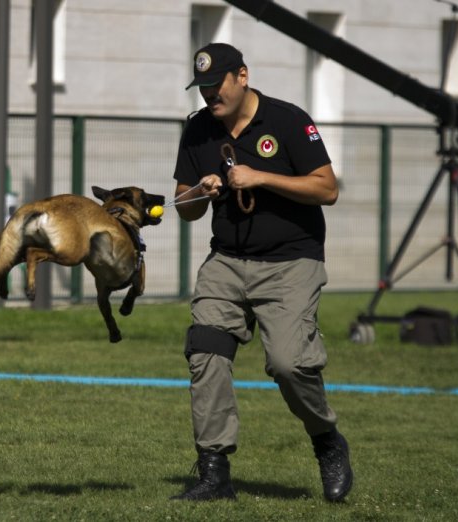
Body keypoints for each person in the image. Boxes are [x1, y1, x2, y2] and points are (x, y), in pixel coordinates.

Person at [170, 42, 353, 503]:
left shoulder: (288, 120)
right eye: (203, 88)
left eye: (216, 86)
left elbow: (327, 188)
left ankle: (327, 440)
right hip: (227, 260)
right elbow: (184, 208)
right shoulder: (197, 130)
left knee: (290, 364)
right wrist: (201, 190)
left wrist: (261, 177)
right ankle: (215, 474)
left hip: (291, 261)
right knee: (206, 351)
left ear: (242, 76)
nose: (210, 95)